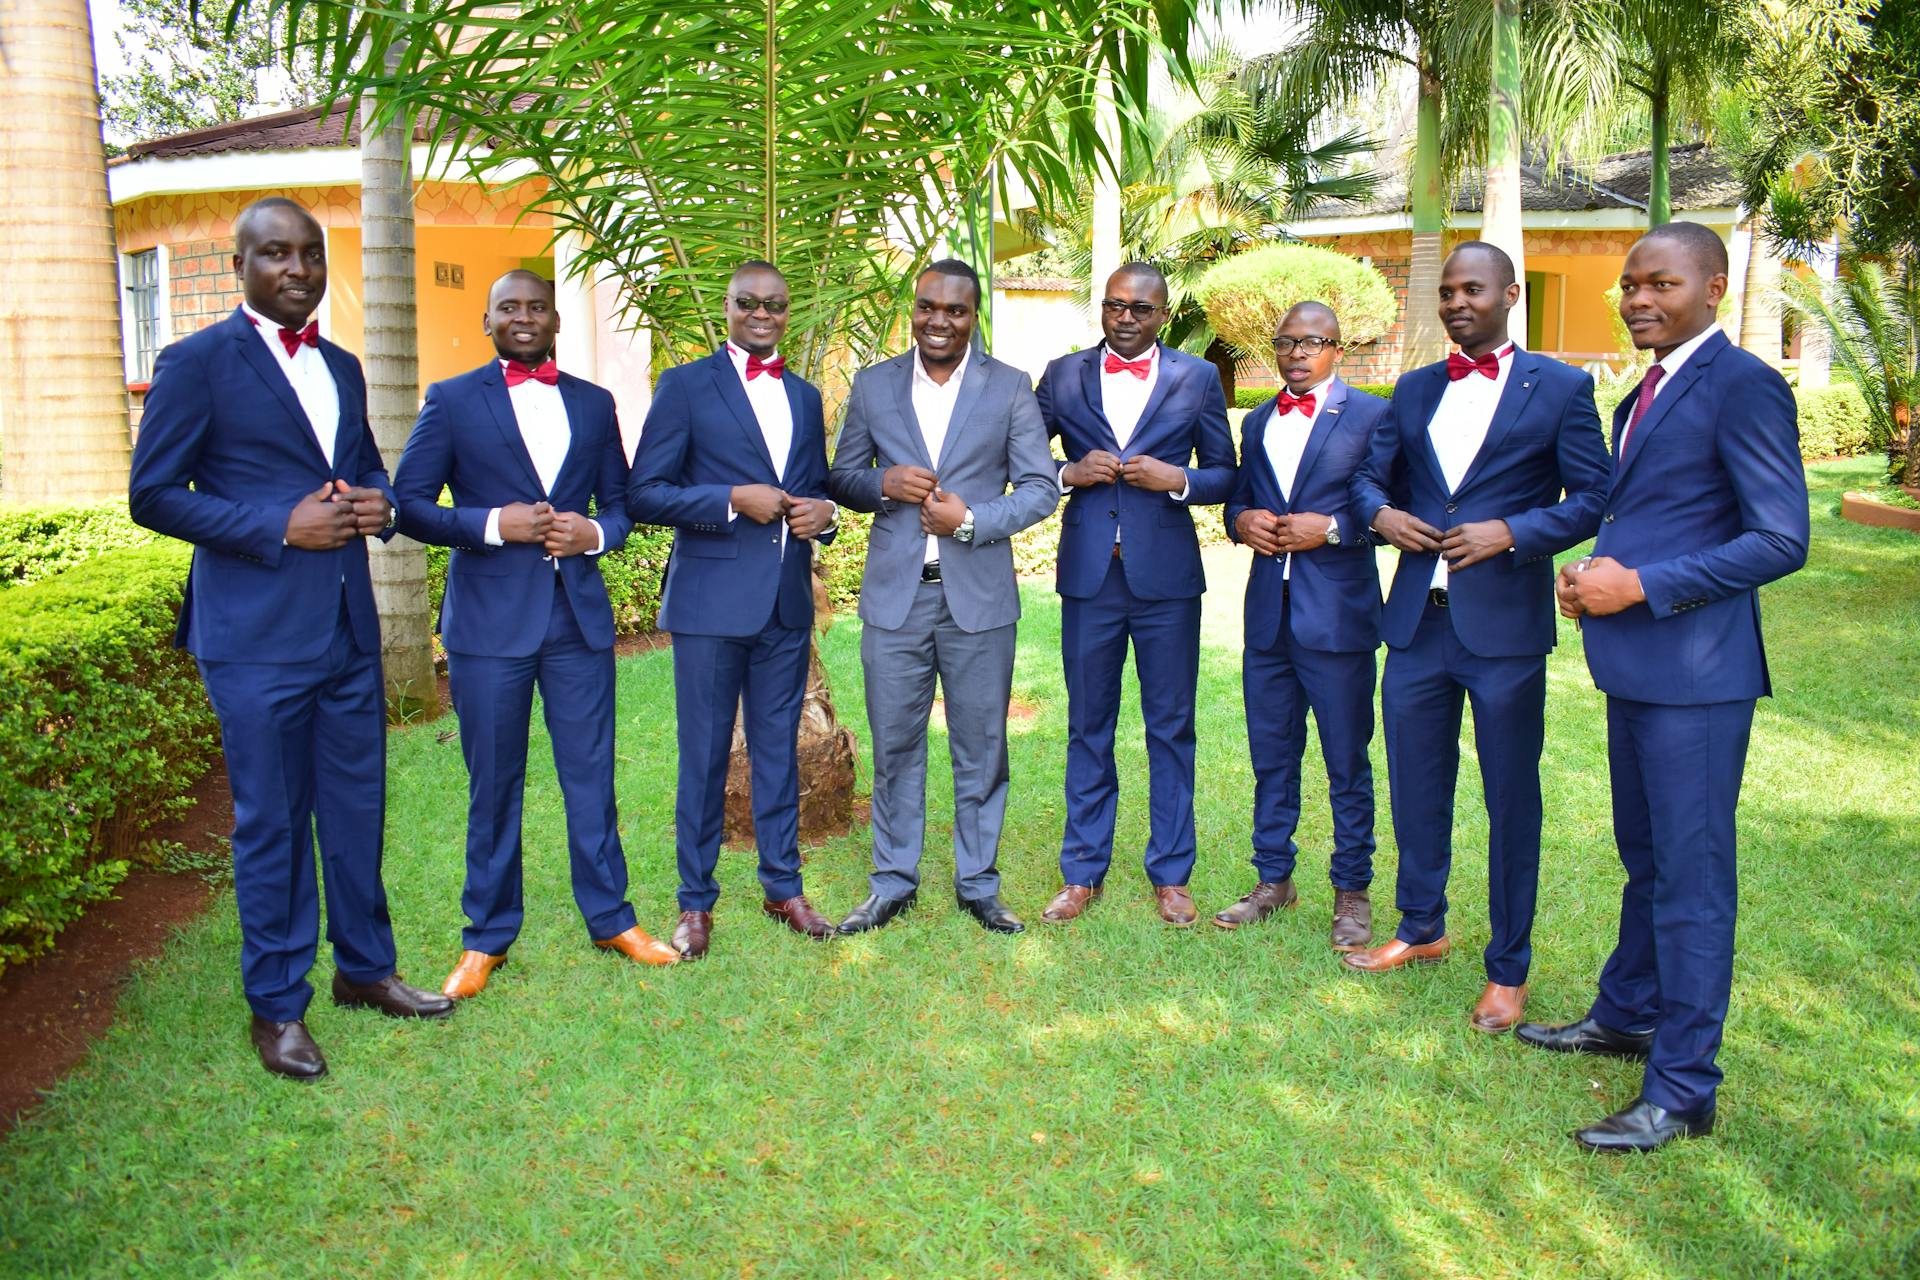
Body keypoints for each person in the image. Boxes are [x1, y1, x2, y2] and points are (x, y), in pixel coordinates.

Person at [128, 196, 452, 1080]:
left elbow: (365, 466)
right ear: (240, 266)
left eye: (309, 254)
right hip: (254, 638)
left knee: (354, 811)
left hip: (348, 629)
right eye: (276, 255)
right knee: (272, 822)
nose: (298, 270)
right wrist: (279, 524)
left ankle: (366, 971)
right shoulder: (195, 363)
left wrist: (379, 502)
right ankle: (277, 1007)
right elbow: (153, 495)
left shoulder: (342, 365)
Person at [1522, 223, 1808, 1151]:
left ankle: (1683, 1088)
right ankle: (1628, 1014)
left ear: (1715, 288)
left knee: (1692, 881)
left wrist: (1640, 586)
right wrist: (1599, 573)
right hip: (1638, 666)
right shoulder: (1645, 390)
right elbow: (1663, 514)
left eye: (1664, 284)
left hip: (1698, 677)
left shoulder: (1745, 385)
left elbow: (1780, 538)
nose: (1641, 299)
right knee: (1646, 862)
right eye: (1631, 285)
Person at [1346, 241, 1609, 1035]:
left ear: (1510, 294)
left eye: (1473, 289)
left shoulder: (1562, 387)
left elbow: (1593, 495)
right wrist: (1380, 515)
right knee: (1416, 786)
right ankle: (1421, 926)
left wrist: (1514, 533)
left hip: (1503, 631)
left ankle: (1509, 969)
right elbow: (1369, 478)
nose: (1458, 302)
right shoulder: (1417, 386)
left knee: (1509, 798)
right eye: (1447, 291)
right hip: (1416, 625)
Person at [392, 270, 677, 998]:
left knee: (592, 777)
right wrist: (492, 525)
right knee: (494, 785)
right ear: (487, 320)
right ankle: (486, 937)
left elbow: (620, 505)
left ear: (555, 320)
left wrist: (595, 534)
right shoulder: (452, 401)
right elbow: (410, 505)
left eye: (537, 307)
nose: (524, 317)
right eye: (509, 308)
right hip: (489, 626)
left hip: (576, 619)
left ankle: (613, 918)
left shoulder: (592, 402)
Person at [827, 259, 1060, 935]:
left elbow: (1041, 487)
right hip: (895, 600)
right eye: (929, 307)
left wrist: (971, 522)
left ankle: (977, 882)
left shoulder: (1009, 387)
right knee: (895, 742)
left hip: (979, 601)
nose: (939, 321)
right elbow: (842, 476)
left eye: (955, 311)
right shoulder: (874, 386)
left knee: (981, 746)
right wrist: (883, 484)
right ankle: (893, 881)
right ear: (914, 309)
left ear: (973, 315)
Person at [627, 262, 839, 958]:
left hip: (783, 601)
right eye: (747, 302)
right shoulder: (686, 387)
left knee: (777, 750)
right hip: (710, 603)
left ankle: (784, 886)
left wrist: (824, 515)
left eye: (774, 305)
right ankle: (695, 902)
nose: (761, 314)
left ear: (787, 313)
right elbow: (646, 493)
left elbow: (812, 491)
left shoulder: (806, 399)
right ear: (727, 308)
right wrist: (727, 501)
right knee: (705, 755)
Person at [1032, 263, 1237, 927]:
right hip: (1090, 577)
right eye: (1115, 306)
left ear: (1163, 313)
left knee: (1171, 725)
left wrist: (1176, 478)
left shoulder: (1197, 377)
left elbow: (1226, 474)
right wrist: (1068, 470)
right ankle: (1082, 871)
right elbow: (1019, 456)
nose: (1126, 318)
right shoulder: (1062, 375)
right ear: (1103, 307)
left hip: (1167, 581)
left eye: (1141, 309)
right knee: (1089, 724)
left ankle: (1172, 874)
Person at [1216, 302, 1388, 948]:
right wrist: (1242, 523)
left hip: (1338, 619)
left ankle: (1352, 889)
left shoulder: (1372, 415)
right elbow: (1238, 496)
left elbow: (1390, 506)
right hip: (1268, 617)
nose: (1295, 353)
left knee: (1346, 760)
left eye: (1310, 342)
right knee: (1272, 755)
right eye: (1285, 342)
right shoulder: (1258, 421)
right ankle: (1273, 879)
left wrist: (1337, 528)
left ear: (1337, 348)